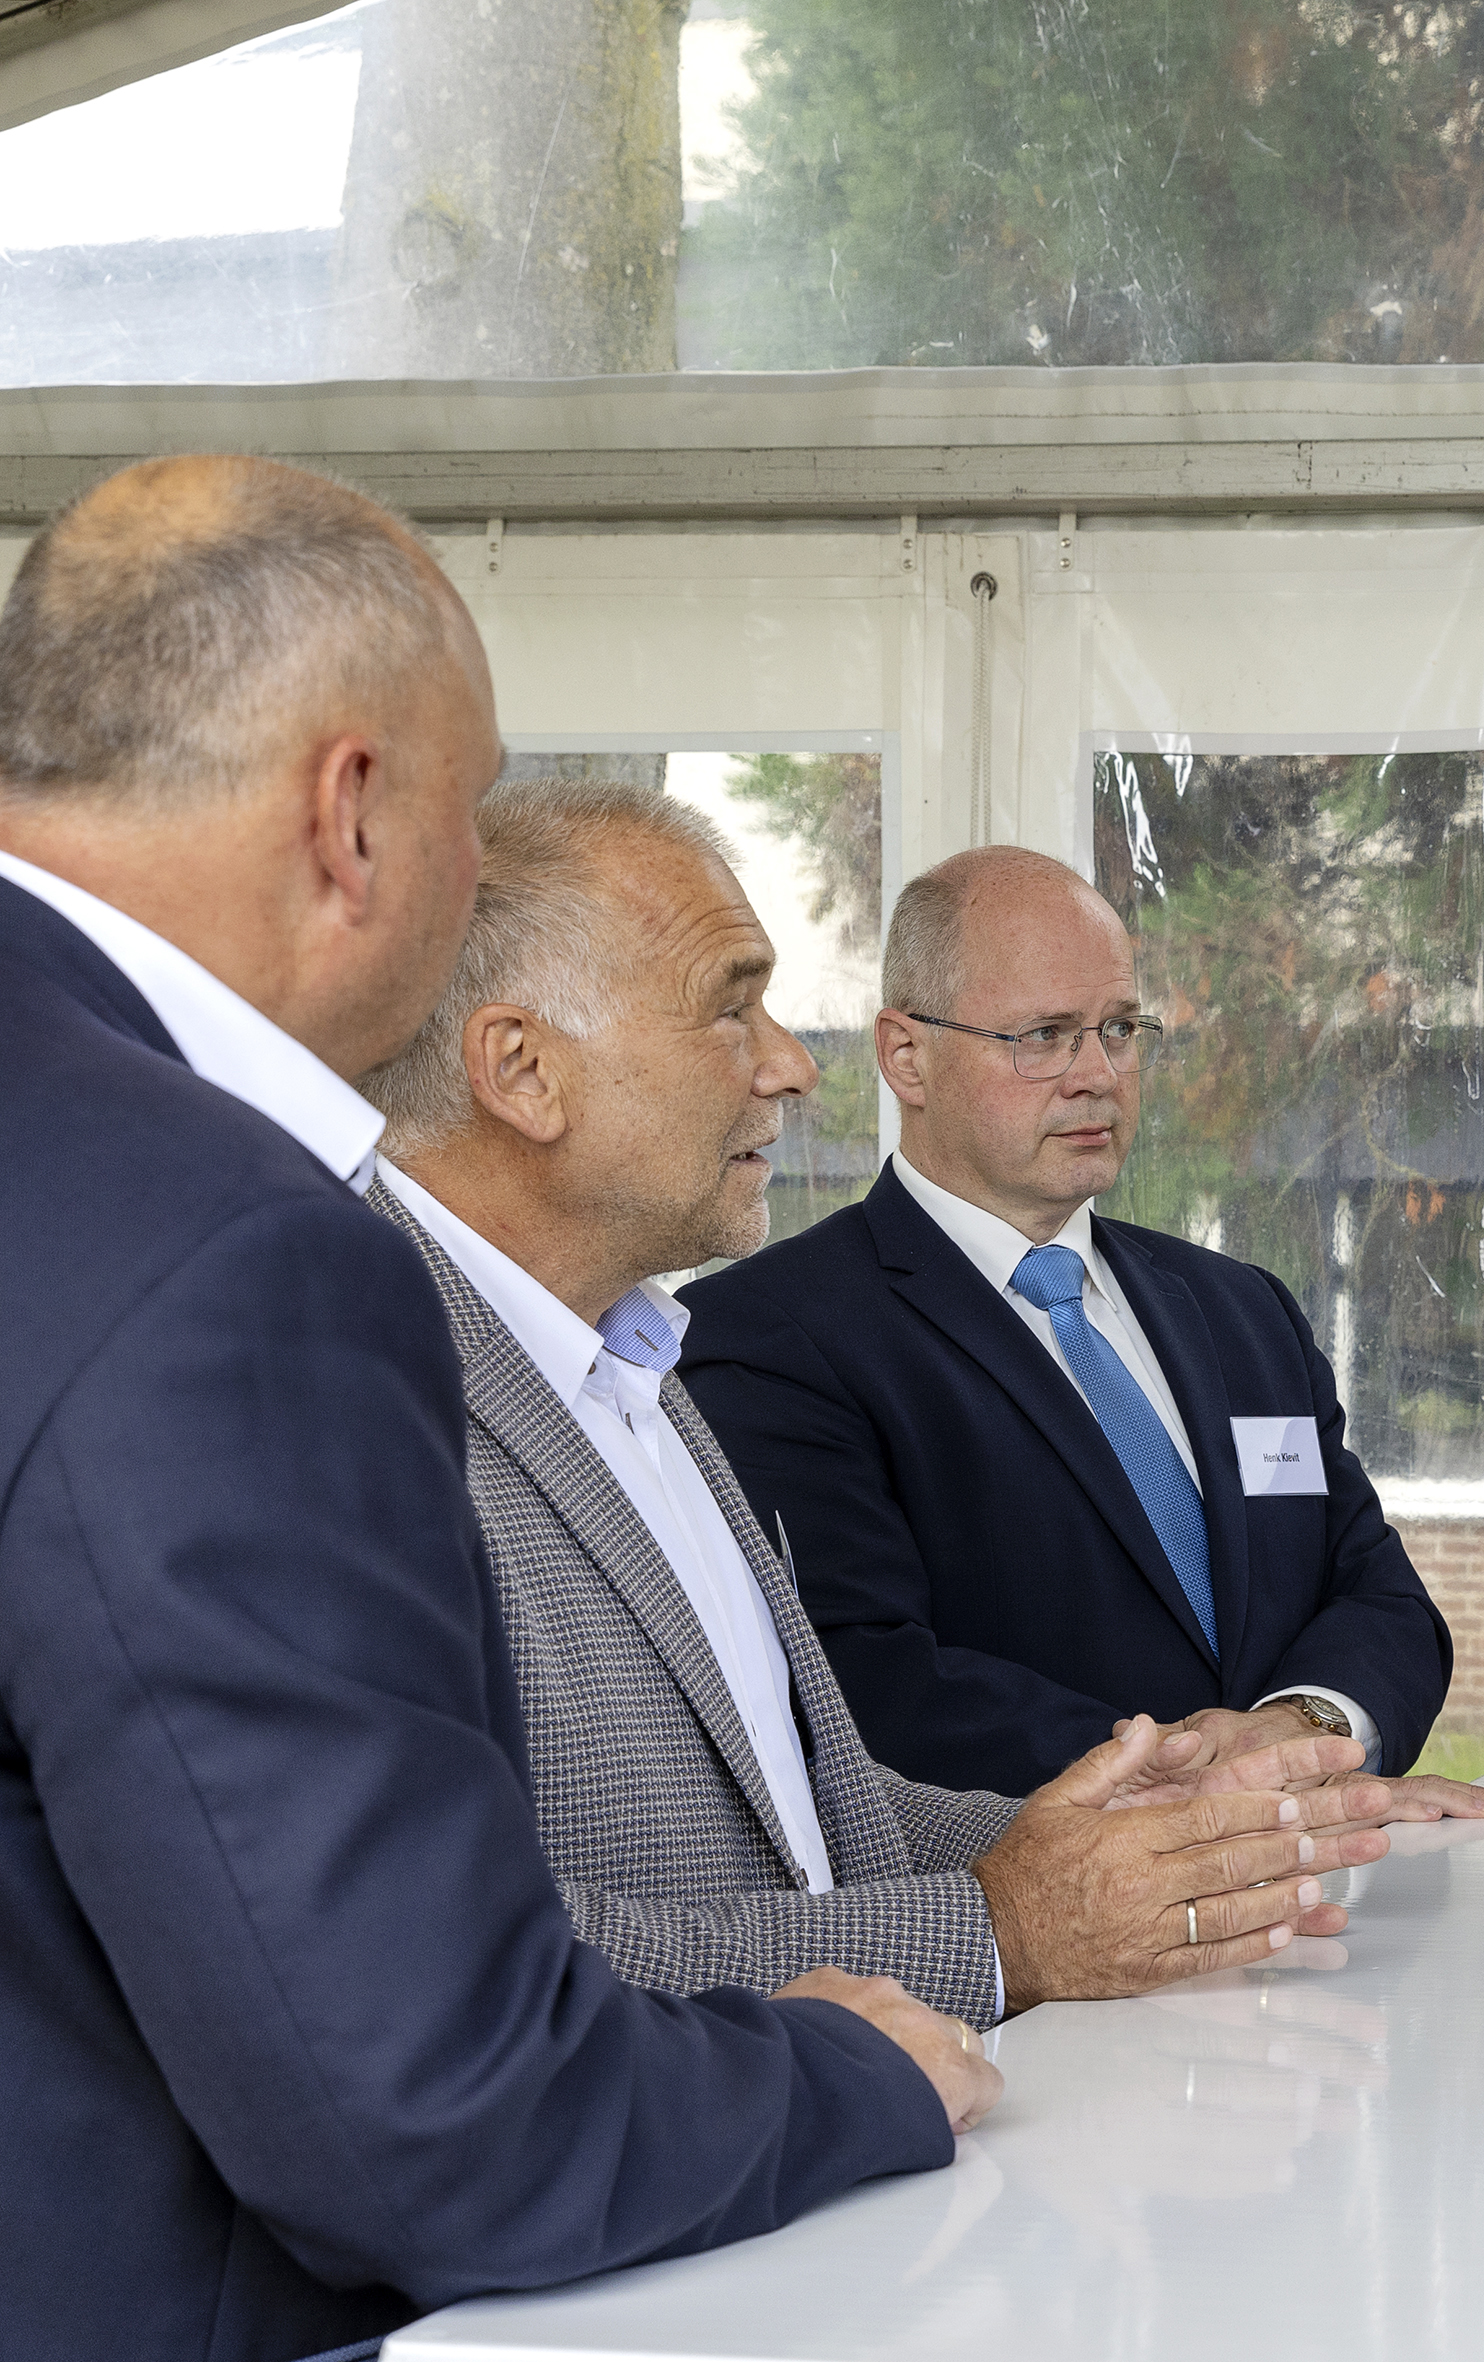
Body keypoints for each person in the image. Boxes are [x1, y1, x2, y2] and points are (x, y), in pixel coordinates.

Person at [0, 457, 990, 2362]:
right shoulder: (223, 1245)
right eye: (473, 807)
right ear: (353, 810)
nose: (475, 883)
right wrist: (845, 2078)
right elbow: (419, 2105)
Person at [360, 776, 1399, 2024]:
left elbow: (814, 1806)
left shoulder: (634, 1358)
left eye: (1120, 1029)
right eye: (731, 1006)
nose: (794, 1066)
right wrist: (1004, 1929)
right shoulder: (340, 1394)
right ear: (522, 1070)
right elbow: (440, 1964)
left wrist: (1155, 1826)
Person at [681, 847, 1484, 1819]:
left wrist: (1301, 1726)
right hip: (1040, 1942)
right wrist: (1213, 1788)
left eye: (1118, 1028)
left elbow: (1379, 1596)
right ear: (906, 1056)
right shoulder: (771, 1335)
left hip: (1311, 1919)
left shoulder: (1242, 1312)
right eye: (1044, 1036)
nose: (1097, 1075)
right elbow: (862, 1673)